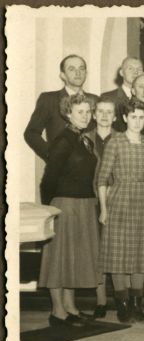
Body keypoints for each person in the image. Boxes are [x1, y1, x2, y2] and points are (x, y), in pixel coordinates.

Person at [39, 93, 99, 327]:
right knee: (59, 259)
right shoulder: (62, 140)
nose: (85, 116)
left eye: (87, 111)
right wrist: (50, 212)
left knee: (74, 258)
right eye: (80, 112)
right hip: (64, 205)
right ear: (68, 113)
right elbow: (48, 180)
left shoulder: (84, 140)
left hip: (84, 205)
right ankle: (57, 312)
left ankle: (71, 307)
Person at [97, 99, 144, 324]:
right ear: (125, 118)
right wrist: (104, 210)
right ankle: (122, 306)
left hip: (143, 202)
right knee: (118, 255)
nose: (137, 121)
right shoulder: (115, 142)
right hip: (119, 200)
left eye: (142, 117)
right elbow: (102, 179)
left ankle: (136, 305)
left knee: (141, 256)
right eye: (133, 116)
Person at [24, 54, 98, 161]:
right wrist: (50, 155)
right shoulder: (49, 99)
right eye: (72, 69)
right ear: (63, 75)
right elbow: (31, 133)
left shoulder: (95, 100)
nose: (78, 73)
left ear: (86, 73)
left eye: (81, 68)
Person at [86, 97, 119, 319]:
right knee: (97, 249)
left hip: (117, 201)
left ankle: (121, 297)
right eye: (101, 112)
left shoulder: (123, 139)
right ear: (94, 115)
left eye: (109, 112)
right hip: (92, 201)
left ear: (115, 117)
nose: (105, 116)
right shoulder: (84, 138)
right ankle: (101, 300)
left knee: (116, 250)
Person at [100, 57, 144, 131]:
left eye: (139, 69)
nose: (135, 72)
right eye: (130, 68)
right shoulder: (108, 97)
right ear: (121, 73)